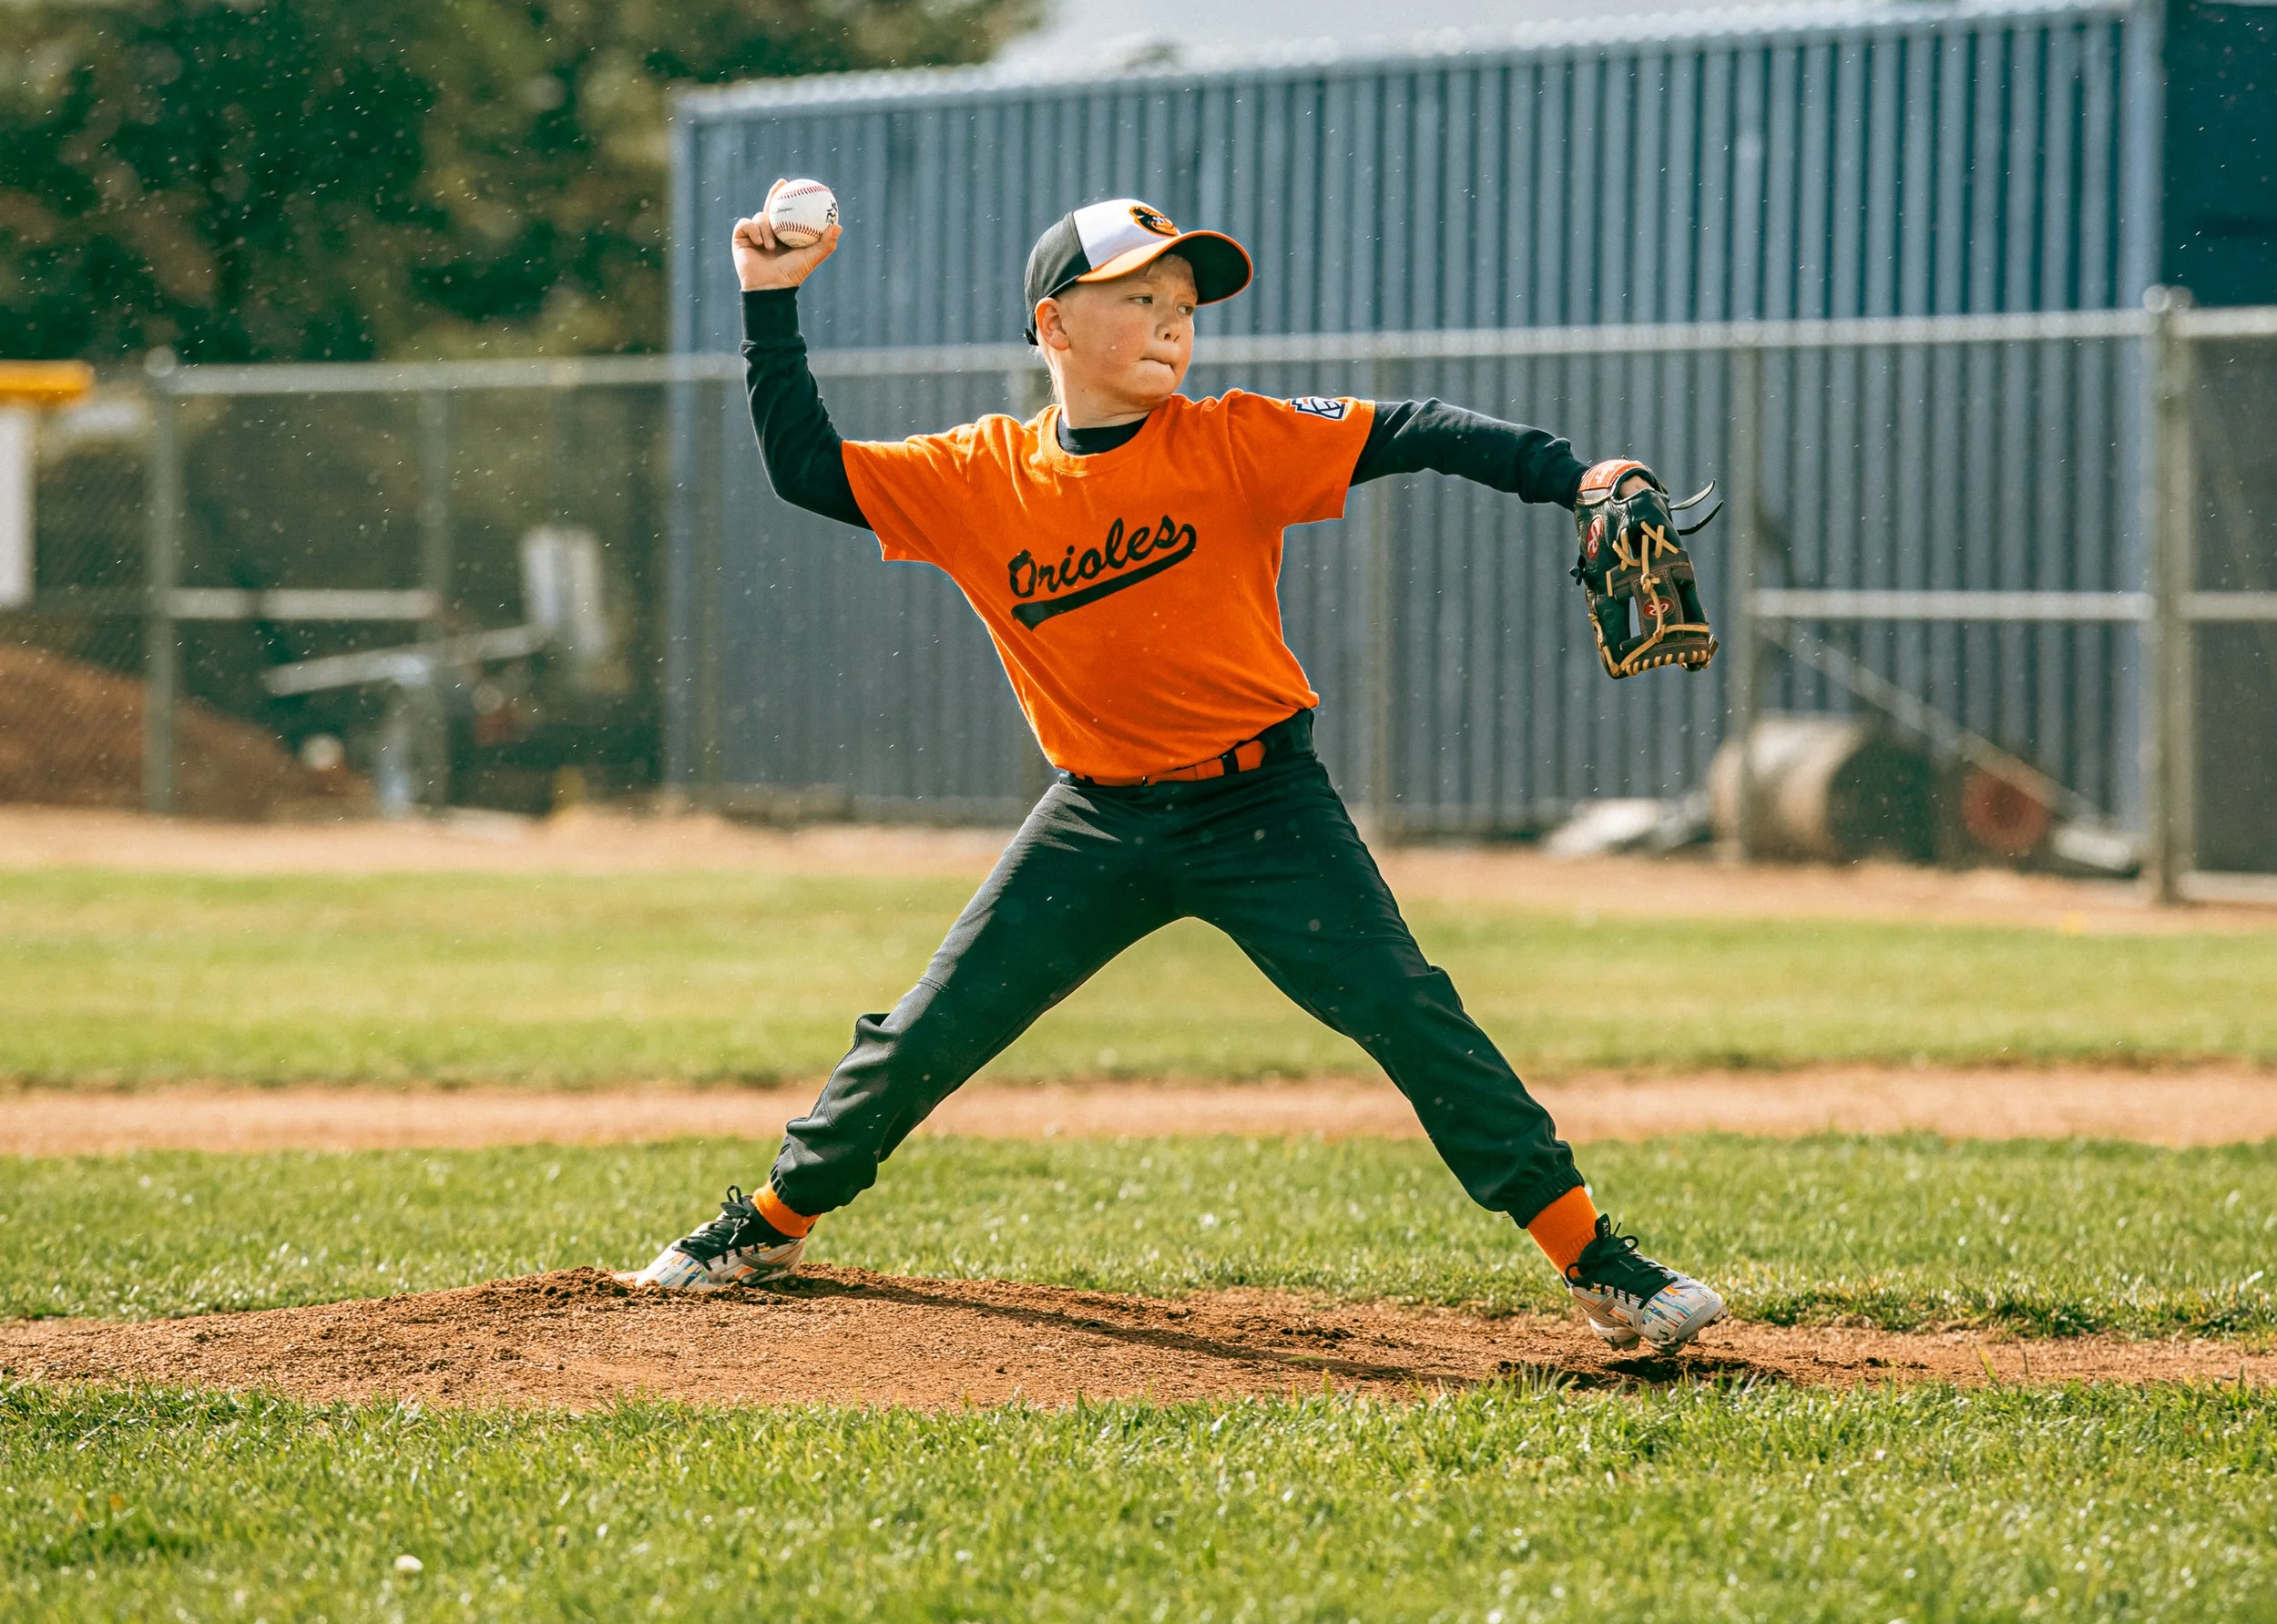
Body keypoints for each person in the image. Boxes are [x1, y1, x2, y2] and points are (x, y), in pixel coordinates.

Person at [623, 191, 1725, 1347]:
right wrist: (770, 300)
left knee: (1410, 1015)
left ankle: (1597, 1265)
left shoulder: (1234, 437)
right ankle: (770, 1221)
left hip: (1264, 806)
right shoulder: (978, 473)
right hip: (1095, 819)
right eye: (1138, 297)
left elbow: (1418, 429)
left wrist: (1578, 478)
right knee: (929, 1030)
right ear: (1050, 326)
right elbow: (807, 467)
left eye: (1184, 303)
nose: (1170, 321)